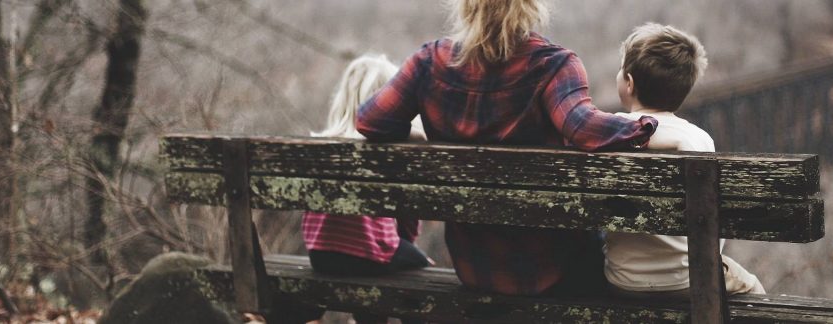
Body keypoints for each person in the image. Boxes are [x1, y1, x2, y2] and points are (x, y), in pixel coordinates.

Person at [356, 0, 659, 296]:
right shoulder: (553, 65)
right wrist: (646, 126)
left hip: (475, 267)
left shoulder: (428, 62)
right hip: (555, 269)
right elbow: (583, 127)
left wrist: (413, 133)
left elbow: (371, 120)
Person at [605, 23, 766, 297]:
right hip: (688, 280)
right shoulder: (698, 139)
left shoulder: (608, 130)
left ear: (628, 83)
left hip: (623, 279)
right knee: (752, 286)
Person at [270, 54, 431, 324]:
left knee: (377, 266)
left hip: (320, 255)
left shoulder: (318, 147)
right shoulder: (388, 150)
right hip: (369, 254)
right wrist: (407, 246)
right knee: (419, 267)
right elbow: (408, 214)